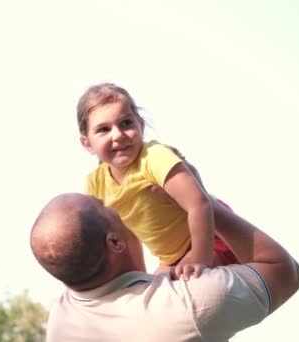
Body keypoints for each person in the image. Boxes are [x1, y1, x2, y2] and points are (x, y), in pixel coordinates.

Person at [30, 192, 299, 341]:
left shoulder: (62, 322)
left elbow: (141, 300)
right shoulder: (191, 306)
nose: (114, 200)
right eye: (104, 204)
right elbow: (286, 272)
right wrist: (201, 202)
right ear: (114, 242)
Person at [77, 82, 235, 277]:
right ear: (87, 143)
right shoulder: (95, 184)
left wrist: (199, 256)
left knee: (193, 287)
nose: (117, 134)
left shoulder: (153, 157)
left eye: (126, 123)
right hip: (171, 258)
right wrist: (138, 275)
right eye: (103, 130)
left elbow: (199, 204)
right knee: (146, 294)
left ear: (140, 126)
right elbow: (127, 235)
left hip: (211, 237)